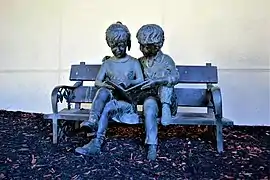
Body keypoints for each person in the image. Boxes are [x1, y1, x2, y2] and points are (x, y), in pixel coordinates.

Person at [79, 22, 144, 131]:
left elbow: (141, 80)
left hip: (126, 102)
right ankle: (92, 121)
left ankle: (98, 137)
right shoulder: (107, 63)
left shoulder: (134, 62)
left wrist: (129, 82)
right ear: (109, 45)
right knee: (102, 92)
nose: (118, 50)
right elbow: (97, 82)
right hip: (111, 97)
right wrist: (106, 85)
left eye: (121, 46)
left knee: (110, 105)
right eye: (114, 47)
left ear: (127, 43)